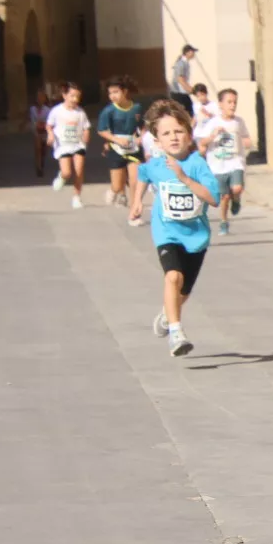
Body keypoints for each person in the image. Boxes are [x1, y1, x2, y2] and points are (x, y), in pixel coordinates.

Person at [128, 98, 221, 357]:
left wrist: (183, 178)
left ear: (190, 135)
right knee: (173, 277)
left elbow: (213, 198)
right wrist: (136, 202)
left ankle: (167, 316)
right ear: (157, 141)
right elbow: (142, 176)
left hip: (196, 237)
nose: (173, 137)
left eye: (179, 131)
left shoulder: (197, 165)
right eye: (166, 133)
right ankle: (177, 334)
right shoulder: (156, 165)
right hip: (166, 232)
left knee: (183, 291)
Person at [194, 88, 253, 234]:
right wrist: (213, 135)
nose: (232, 105)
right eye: (229, 102)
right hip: (217, 165)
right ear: (220, 104)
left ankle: (237, 199)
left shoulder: (238, 122)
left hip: (236, 161)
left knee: (237, 188)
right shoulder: (213, 123)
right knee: (224, 196)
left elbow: (246, 138)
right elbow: (202, 143)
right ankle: (223, 221)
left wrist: (244, 140)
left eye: (235, 102)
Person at [97, 75, 143, 215]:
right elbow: (101, 131)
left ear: (124, 91)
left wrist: (140, 137)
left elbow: (143, 126)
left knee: (135, 181)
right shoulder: (108, 111)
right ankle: (114, 191)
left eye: (116, 92)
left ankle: (134, 212)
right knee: (117, 186)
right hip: (116, 149)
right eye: (110, 93)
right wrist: (117, 140)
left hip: (133, 149)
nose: (112, 96)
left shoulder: (137, 107)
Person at [45, 81, 90, 209]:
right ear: (64, 95)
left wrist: (86, 134)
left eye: (78, 96)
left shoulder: (80, 112)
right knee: (67, 172)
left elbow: (86, 126)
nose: (75, 99)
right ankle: (62, 177)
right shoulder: (56, 111)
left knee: (79, 170)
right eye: (72, 96)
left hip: (78, 144)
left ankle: (76, 197)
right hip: (63, 145)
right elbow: (49, 125)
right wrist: (50, 134)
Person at [29, 89, 51, 178]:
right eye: (38, 97)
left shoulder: (47, 110)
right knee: (37, 148)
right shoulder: (32, 109)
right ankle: (38, 167)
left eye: (42, 97)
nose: (40, 99)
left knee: (44, 150)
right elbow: (31, 119)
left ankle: (41, 161)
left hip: (45, 131)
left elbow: (50, 121)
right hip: (36, 131)